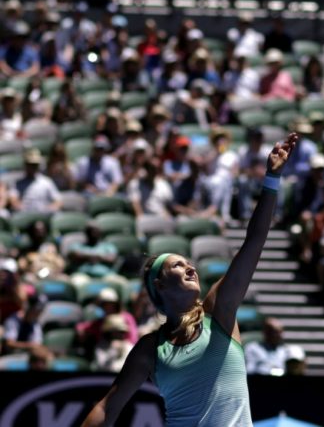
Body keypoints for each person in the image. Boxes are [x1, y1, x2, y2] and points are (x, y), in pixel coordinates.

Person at [82, 133, 297, 426]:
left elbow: (255, 240)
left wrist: (272, 179)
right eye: (177, 265)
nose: (190, 267)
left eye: (189, 263)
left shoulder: (219, 311)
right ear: (159, 285)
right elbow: (107, 408)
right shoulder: (149, 349)